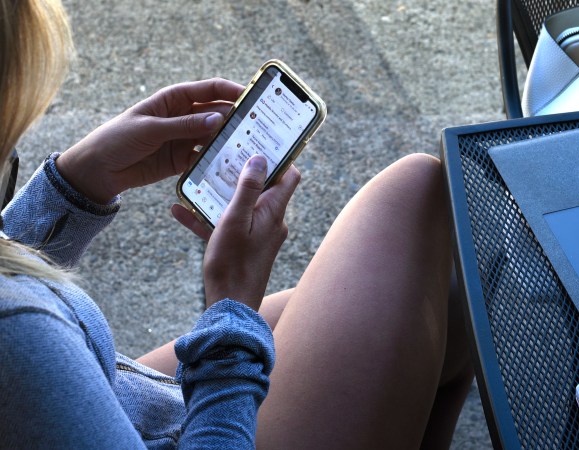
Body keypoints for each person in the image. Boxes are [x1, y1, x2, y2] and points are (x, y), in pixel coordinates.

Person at [0, 1, 473, 448]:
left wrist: (75, 183)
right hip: (200, 429)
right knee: (415, 195)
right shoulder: (20, 333)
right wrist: (231, 305)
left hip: (116, 398)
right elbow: (22, 339)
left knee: (448, 298)